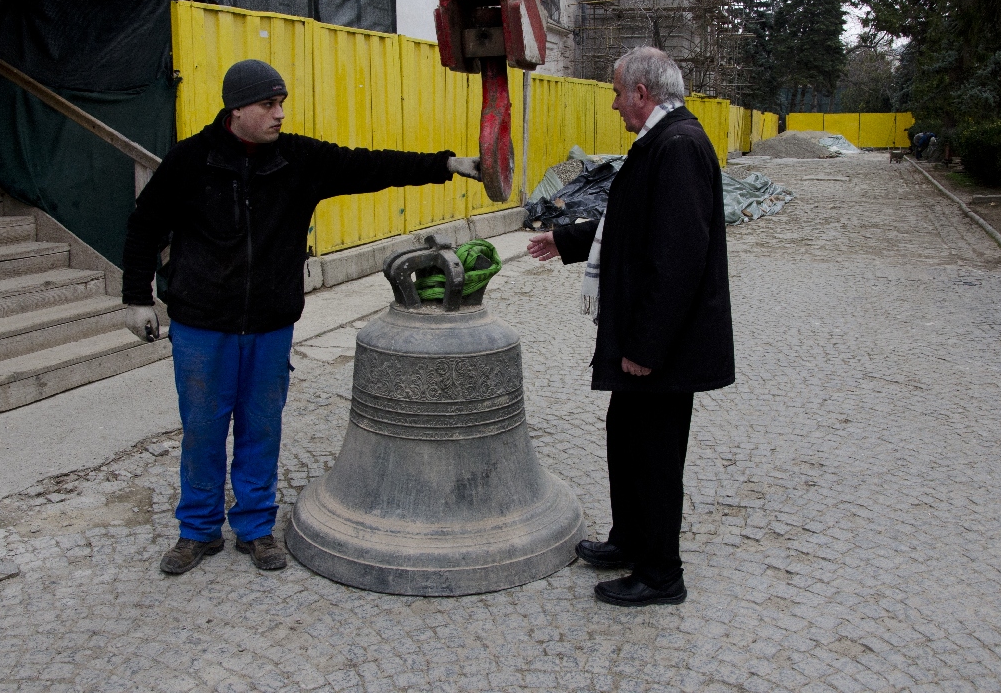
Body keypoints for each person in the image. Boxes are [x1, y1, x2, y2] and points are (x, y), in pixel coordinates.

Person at [122, 59, 480, 575]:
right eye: (268, 104)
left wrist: (446, 164)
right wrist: (137, 297)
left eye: (282, 103)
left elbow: (369, 166)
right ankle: (197, 530)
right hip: (203, 324)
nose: (279, 114)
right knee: (202, 428)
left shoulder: (298, 160)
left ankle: (254, 527)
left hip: (269, 323)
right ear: (236, 108)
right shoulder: (190, 160)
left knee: (260, 426)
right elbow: (144, 227)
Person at [527, 47, 734, 606]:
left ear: (642, 93)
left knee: (655, 454)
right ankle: (630, 539)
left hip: (662, 347)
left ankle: (662, 574)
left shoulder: (680, 147)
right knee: (627, 439)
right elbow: (628, 221)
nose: (615, 104)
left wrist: (645, 346)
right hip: (646, 340)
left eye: (618, 92)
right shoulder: (661, 142)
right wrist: (565, 238)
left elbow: (679, 258)